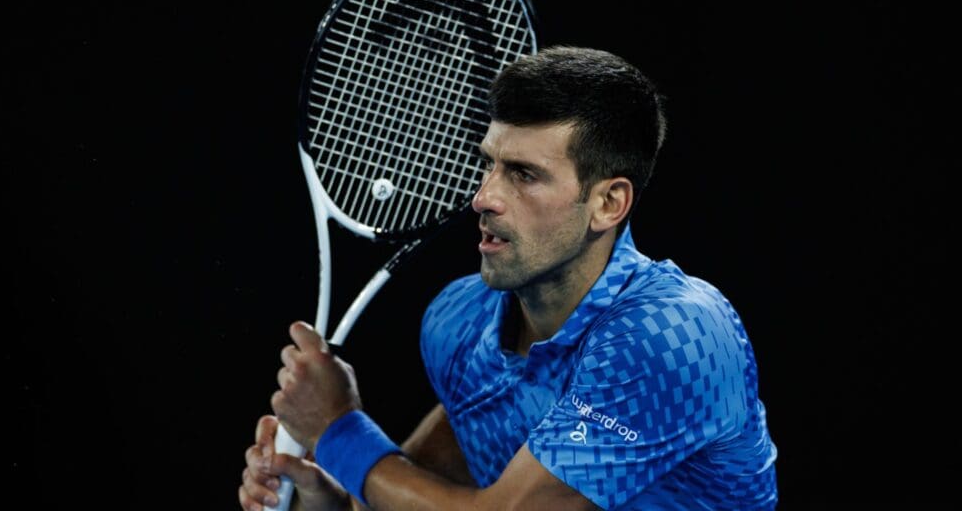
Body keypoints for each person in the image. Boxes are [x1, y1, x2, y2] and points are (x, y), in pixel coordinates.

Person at [239, 46, 778, 510]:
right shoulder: (459, 323)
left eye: (524, 175)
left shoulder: (674, 336)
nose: (484, 198)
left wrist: (337, 430)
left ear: (608, 203)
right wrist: (328, 499)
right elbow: (407, 493)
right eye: (489, 164)